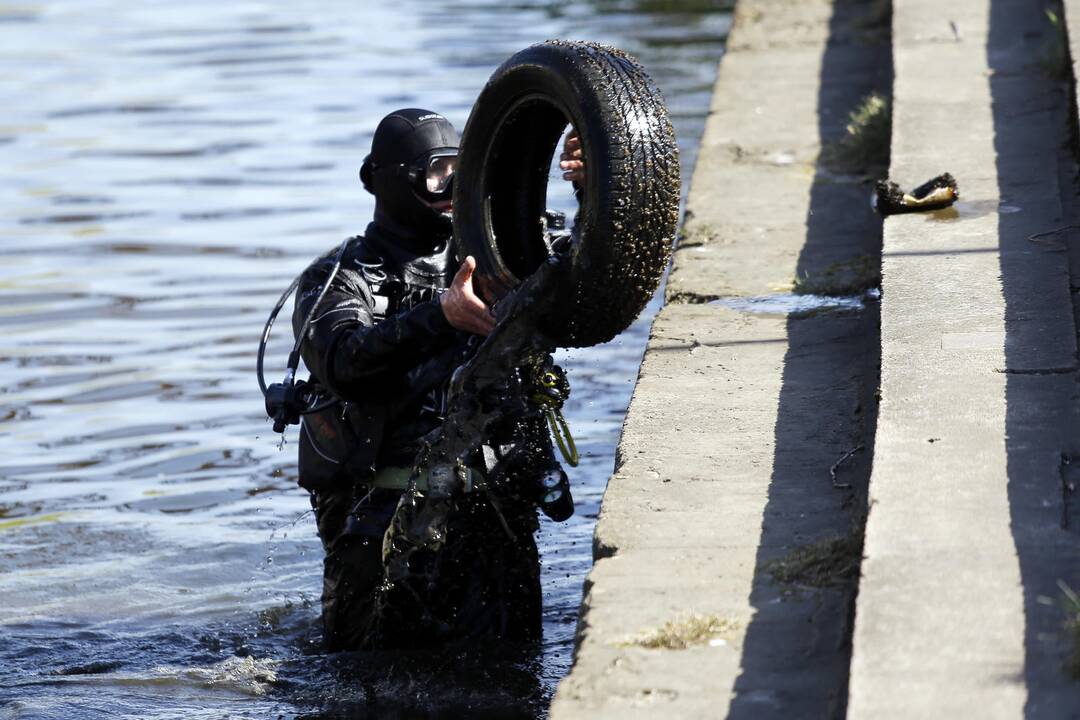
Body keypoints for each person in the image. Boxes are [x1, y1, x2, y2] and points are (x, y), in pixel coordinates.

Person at [291, 108, 585, 651]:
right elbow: (342, 360)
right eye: (437, 172)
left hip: (495, 519)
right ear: (389, 181)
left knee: (513, 685)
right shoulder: (339, 278)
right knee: (361, 692)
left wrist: (596, 194)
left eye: (462, 169)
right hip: (378, 529)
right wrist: (439, 316)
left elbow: (581, 287)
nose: (452, 185)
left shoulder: (497, 258)